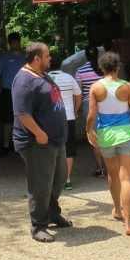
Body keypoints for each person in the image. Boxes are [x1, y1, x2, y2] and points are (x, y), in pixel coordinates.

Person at [86, 51, 130, 235]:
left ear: (101, 68)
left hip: (105, 135)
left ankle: (117, 209)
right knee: (127, 179)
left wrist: (88, 130)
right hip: (126, 134)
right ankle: (128, 224)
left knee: (112, 174)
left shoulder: (95, 87)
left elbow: (91, 115)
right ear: (118, 67)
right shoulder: (127, 87)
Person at [12, 42, 71, 243]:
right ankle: (38, 225)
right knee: (41, 185)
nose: (50, 59)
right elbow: (22, 114)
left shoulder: (41, 74)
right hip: (37, 143)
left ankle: (52, 213)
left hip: (55, 140)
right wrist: (39, 133)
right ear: (37, 58)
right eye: (47, 56)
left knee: (59, 178)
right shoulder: (23, 81)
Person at [48, 55, 82, 190]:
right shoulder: (69, 78)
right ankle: (67, 179)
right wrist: (75, 111)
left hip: (51, 119)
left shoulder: (45, 78)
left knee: (51, 148)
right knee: (69, 148)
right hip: (68, 117)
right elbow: (79, 95)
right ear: (61, 64)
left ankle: (53, 180)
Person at [76, 46, 107, 179]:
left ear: (85, 56)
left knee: (94, 136)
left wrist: (75, 109)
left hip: (89, 104)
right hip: (106, 103)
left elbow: (79, 92)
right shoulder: (104, 68)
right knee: (109, 133)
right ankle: (113, 166)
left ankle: (100, 169)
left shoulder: (80, 70)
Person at [0, 32, 27, 156]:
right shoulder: (4, 57)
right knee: (7, 120)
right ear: (10, 43)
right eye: (13, 41)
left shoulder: (26, 56)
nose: (16, 43)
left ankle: (22, 145)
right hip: (8, 91)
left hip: (23, 92)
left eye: (18, 41)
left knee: (24, 118)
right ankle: (6, 146)